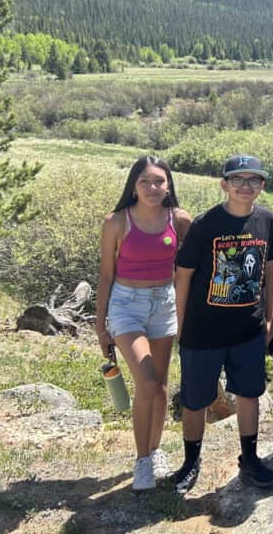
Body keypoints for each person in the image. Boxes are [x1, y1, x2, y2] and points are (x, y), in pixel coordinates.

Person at [172, 155, 273, 494]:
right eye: (237, 179)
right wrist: (180, 326)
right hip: (203, 331)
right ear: (224, 184)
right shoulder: (206, 224)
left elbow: (269, 272)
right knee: (196, 399)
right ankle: (191, 462)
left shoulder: (267, 220)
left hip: (247, 331)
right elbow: (184, 275)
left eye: (253, 180)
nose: (245, 186)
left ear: (262, 186)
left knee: (249, 394)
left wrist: (268, 319)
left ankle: (249, 458)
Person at [95, 155, 192, 491]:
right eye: (145, 182)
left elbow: (185, 273)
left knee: (162, 386)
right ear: (133, 186)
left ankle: (154, 451)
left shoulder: (179, 220)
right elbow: (106, 275)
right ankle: (141, 461)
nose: (153, 188)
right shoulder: (117, 222)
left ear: (169, 185)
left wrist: (185, 314)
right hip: (126, 306)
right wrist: (100, 325)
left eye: (159, 182)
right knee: (147, 382)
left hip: (164, 305)